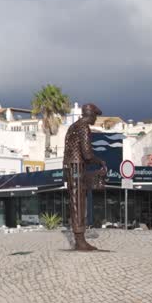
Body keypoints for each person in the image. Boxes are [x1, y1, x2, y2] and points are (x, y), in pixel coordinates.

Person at [63, 103, 107, 250]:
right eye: (96, 116)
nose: (96, 119)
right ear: (91, 115)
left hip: (70, 168)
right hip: (77, 167)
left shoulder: (72, 127)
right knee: (79, 202)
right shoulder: (84, 128)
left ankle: (79, 239)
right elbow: (87, 154)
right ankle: (80, 241)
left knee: (75, 202)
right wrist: (100, 161)